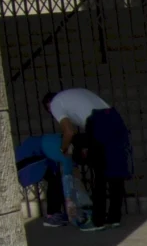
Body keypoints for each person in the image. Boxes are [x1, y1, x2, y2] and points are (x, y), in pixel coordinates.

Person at [42, 88, 133, 230]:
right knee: (116, 173)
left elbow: (69, 132)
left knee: (100, 174)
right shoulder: (74, 94)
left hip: (98, 121)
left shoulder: (55, 104)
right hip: (115, 119)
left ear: (48, 105)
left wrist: (63, 149)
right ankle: (114, 218)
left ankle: (98, 221)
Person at [14, 133, 92, 230]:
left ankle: (54, 213)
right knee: (56, 182)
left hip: (40, 153)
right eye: (85, 151)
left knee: (55, 180)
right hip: (32, 154)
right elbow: (67, 179)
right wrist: (69, 201)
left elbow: (73, 174)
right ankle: (52, 216)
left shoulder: (68, 148)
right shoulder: (66, 155)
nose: (85, 154)